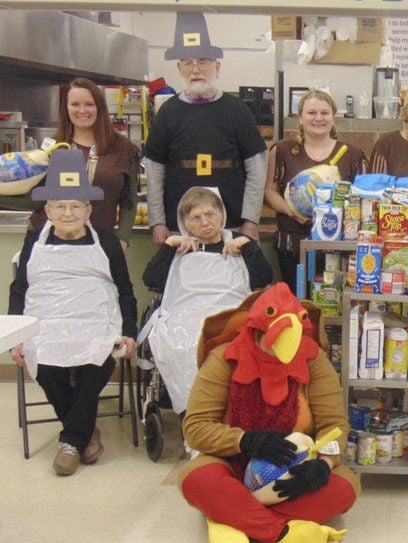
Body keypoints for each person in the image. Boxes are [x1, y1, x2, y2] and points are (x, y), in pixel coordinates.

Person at [177, 282, 358, 543]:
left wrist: (324, 463)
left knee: (344, 490)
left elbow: (334, 425)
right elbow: (196, 427)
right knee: (196, 479)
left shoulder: (314, 361)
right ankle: (282, 534)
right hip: (231, 461)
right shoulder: (224, 358)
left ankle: (231, 518)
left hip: (293, 466)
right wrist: (247, 441)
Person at [8, 150, 138, 476]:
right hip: (46, 324)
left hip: (97, 323)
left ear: (88, 209)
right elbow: (19, 291)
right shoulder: (32, 244)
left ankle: (70, 441)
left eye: (76, 205)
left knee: (99, 358)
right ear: (48, 210)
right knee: (44, 361)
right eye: (60, 206)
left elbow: (125, 291)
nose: (68, 213)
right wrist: (15, 338)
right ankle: (83, 434)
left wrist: (130, 333)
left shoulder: (107, 243)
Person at [140, 187, 272, 418]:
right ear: (185, 223)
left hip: (231, 313)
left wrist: (247, 246)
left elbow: (263, 278)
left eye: (210, 214)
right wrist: (168, 246)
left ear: (221, 214)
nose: (205, 222)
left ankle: (231, 414)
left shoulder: (240, 245)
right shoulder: (179, 248)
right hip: (185, 315)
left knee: (235, 342)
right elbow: (150, 279)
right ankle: (194, 418)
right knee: (187, 344)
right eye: (196, 218)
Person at [144, 12, 267, 245]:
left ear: (217, 66)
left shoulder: (237, 110)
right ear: (179, 68)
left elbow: (257, 170)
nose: (195, 70)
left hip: (232, 227)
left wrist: (251, 220)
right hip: (179, 229)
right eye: (188, 63)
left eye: (202, 61)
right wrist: (158, 222)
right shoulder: (167, 112)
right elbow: (155, 171)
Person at [263, 90, 367, 293]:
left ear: (333, 117)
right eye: (311, 113)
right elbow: (269, 192)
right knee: (296, 303)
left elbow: (363, 198)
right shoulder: (283, 150)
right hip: (293, 244)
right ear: (300, 117)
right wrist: (292, 211)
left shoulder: (352, 154)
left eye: (324, 113)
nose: (318, 118)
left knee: (333, 305)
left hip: (338, 246)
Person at [28, 78, 140, 250]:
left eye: (89, 104)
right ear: (66, 108)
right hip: (48, 242)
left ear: (100, 108)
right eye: (75, 104)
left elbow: (129, 202)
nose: (82, 110)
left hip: (100, 243)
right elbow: (35, 196)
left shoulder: (123, 149)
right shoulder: (52, 146)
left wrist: (123, 239)